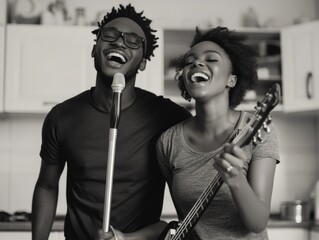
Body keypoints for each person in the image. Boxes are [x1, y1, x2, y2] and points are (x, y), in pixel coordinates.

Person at [31, 4, 191, 240]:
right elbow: (46, 186)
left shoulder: (168, 117)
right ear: (94, 49)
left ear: (144, 63)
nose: (119, 42)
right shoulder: (61, 116)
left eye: (133, 40)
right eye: (110, 35)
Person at [156, 26, 280, 240]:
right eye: (189, 61)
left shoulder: (256, 130)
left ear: (232, 79)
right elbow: (185, 223)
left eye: (211, 59)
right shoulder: (168, 142)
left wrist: (236, 180)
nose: (197, 63)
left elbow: (258, 223)